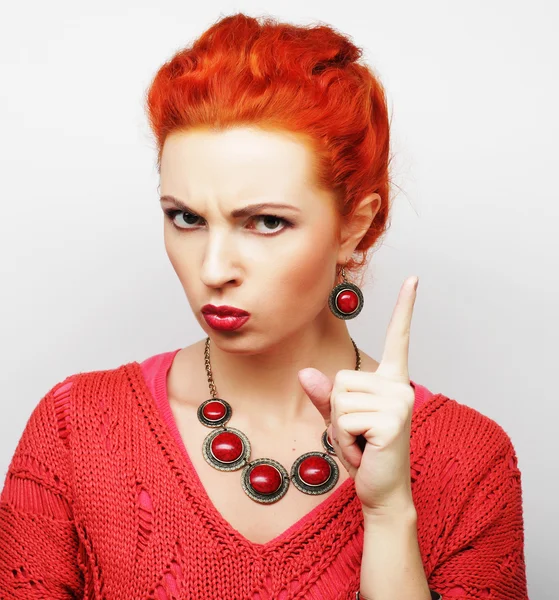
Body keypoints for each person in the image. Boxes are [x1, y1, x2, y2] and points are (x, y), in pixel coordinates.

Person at [0, 12, 528, 600]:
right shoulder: (77, 427)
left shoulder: (470, 459)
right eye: (186, 218)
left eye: (266, 222)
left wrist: (388, 514)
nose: (213, 269)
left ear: (355, 226)